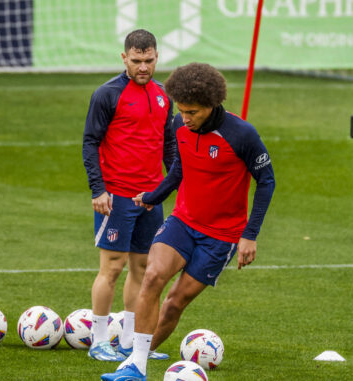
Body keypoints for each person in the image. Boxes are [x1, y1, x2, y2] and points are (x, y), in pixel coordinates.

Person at [101, 63, 276, 380]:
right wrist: (153, 197)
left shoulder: (242, 135)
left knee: (174, 303)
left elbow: (267, 181)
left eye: (193, 112)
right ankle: (135, 365)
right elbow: (179, 172)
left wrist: (250, 235)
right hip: (183, 221)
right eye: (181, 111)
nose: (185, 118)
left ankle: (139, 355)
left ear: (211, 105)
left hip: (221, 236)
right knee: (153, 276)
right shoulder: (181, 127)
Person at [82, 29, 177, 362]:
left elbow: (168, 145)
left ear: (156, 57)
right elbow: (90, 142)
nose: (143, 67)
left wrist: (175, 181)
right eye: (136, 61)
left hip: (151, 196)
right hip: (117, 196)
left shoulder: (166, 95)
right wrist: (98, 189)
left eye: (149, 60)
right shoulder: (107, 94)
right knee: (112, 267)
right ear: (124, 58)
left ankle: (128, 342)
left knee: (144, 269)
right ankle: (97, 341)